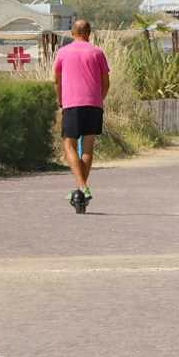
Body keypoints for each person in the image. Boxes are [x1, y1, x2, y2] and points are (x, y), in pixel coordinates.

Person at [52, 18, 110, 212]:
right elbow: (106, 82)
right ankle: (80, 191)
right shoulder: (97, 52)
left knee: (68, 144)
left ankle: (83, 187)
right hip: (94, 104)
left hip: (72, 104)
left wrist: (60, 100)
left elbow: (56, 80)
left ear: (72, 33)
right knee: (87, 147)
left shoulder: (63, 52)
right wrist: (99, 98)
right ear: (89, 33)